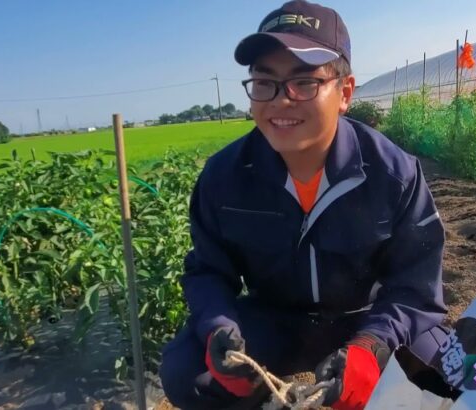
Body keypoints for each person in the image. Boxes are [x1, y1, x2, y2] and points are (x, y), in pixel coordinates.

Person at [159, 1, 449, 408]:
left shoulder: (393, 174)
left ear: (344, 92)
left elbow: (415, 291)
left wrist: (370, 347)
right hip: (275, 320)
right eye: (265, 82)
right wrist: (219, 329)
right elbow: (208, 270)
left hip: (368, 319)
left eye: (304, 83)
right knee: (186, 370)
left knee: (447, 371)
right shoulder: (224, 177)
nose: (281, 100)